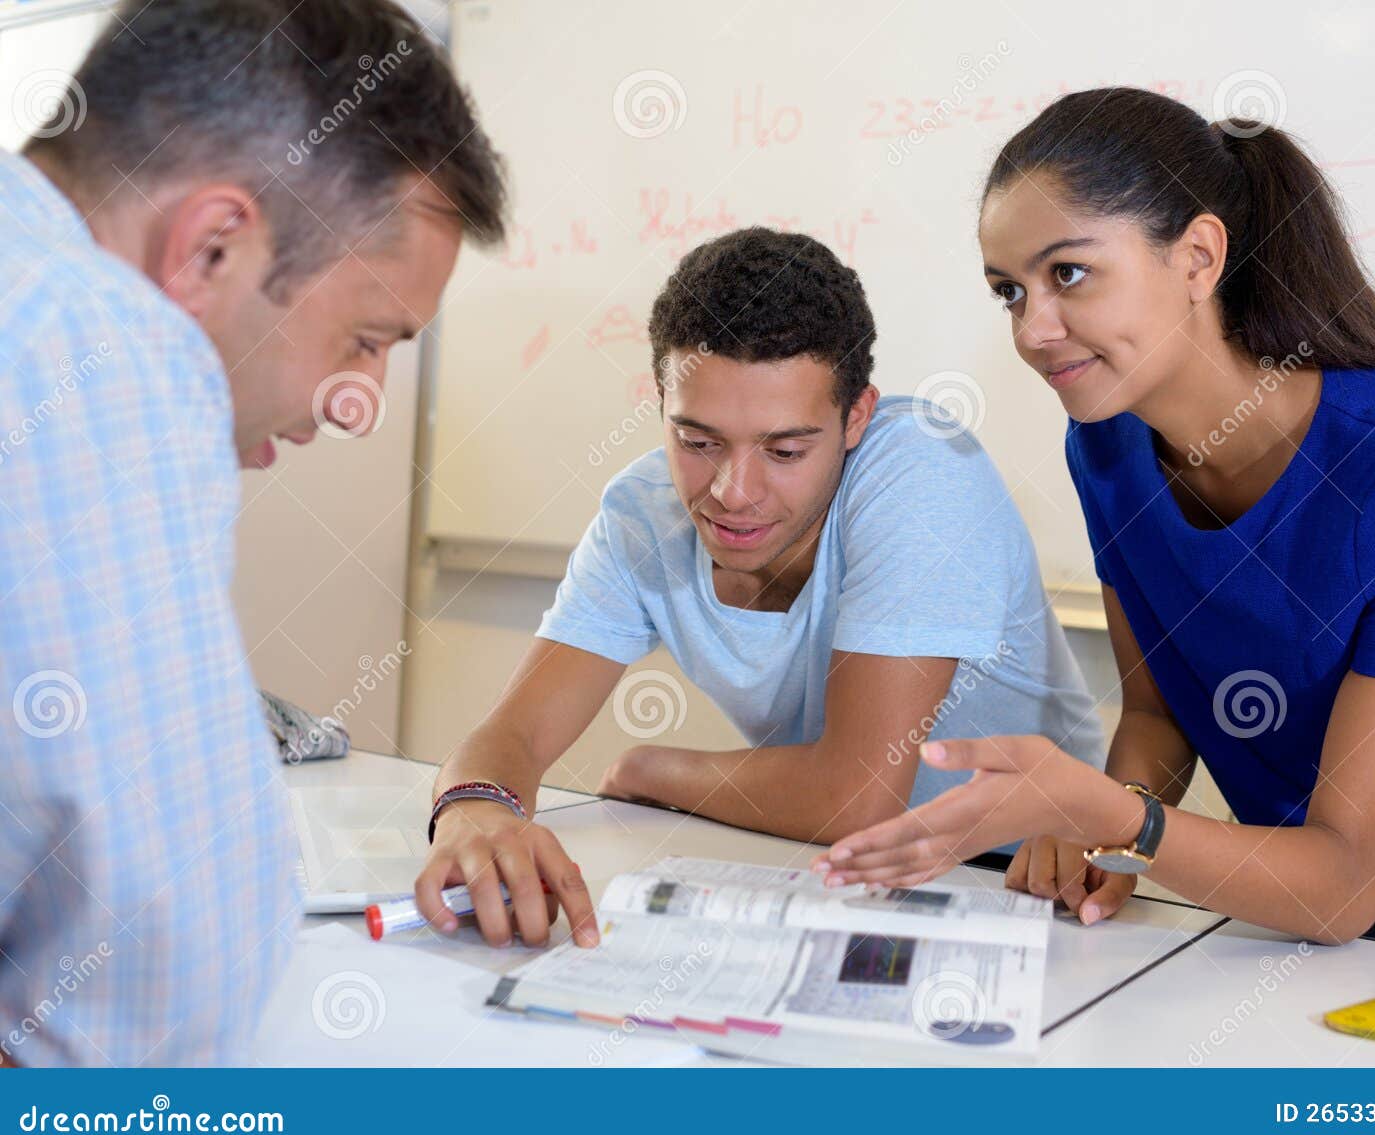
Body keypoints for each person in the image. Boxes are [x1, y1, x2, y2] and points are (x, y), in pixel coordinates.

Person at [812, 86, 1375, 977]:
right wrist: (1107, 828)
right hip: (1327, 881)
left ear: (1198, 256)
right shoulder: (1106, 446)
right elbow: (1157, 711)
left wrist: (1119, 820)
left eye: (1068, 274)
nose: (1034, 330)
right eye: (1009, 292)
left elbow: (1341, 888)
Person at [0, 0, 523, 1065]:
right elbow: (157, 981)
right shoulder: (84, 340)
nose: (358, 403)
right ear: (211, 249)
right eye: (365, 340)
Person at [414, 227, 1107, 947]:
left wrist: (653, 769)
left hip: (1033, 881)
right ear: (661, 402)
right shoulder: (644, 513)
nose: (732, 492)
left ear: (856, 418)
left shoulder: (921, 468)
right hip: (832, 870)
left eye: (784, 450)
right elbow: (514, 735)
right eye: (698, 441)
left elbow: (857, 798)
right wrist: (475, 810)